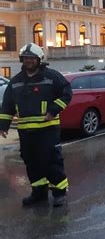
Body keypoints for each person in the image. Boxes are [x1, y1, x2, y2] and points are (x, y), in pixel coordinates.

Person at [0, 43, 72, 207]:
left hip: (47, 130)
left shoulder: (52, 77)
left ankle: (59, 192)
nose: (29, 61)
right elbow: (8, 104)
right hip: (26, 132)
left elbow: (67, 93)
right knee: (31, 162)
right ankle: (39, 193)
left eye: (32, 58)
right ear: (22, 60)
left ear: (39, 59)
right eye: (26, 58)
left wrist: (53, 110)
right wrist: (3, 125)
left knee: (51, 161)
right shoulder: (16, 81)